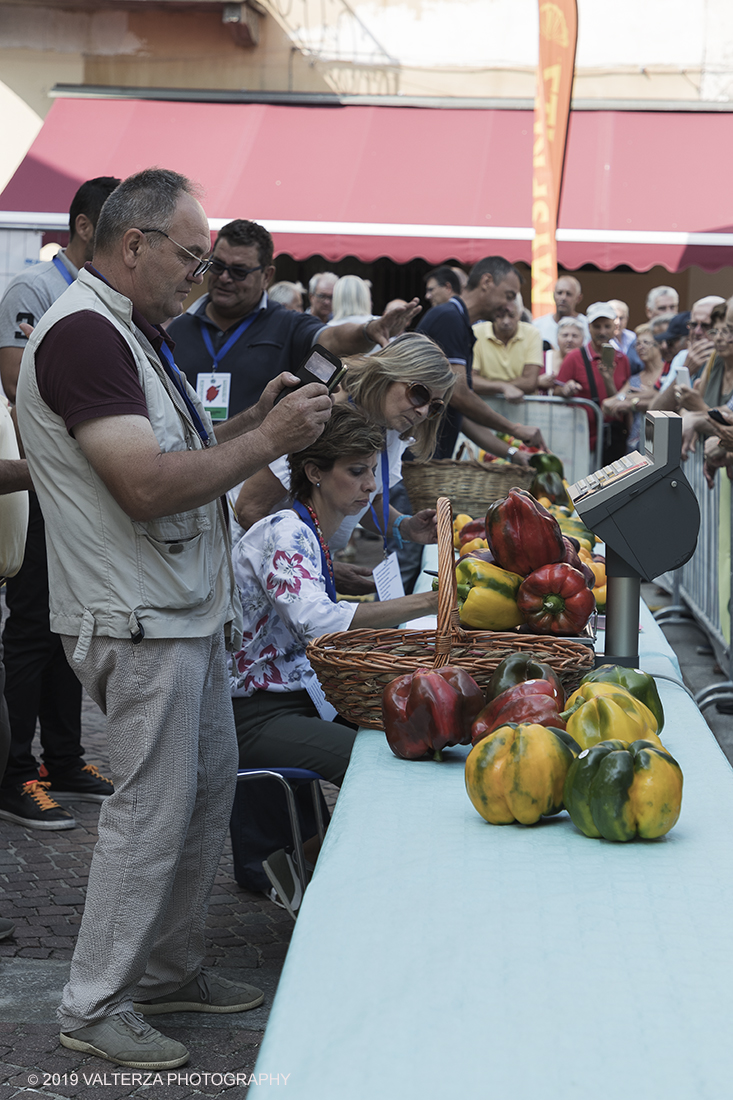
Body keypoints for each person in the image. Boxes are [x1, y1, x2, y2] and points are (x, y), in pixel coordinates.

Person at [15, 167, 334, 1070]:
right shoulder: (85, 335)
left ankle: (167, 968)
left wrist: (257, 425)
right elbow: (144, 485)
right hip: (138, 618)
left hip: (177, 612)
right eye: (191, 256)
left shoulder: (128, 333)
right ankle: (96, 1001)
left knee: (194, 803)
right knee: (150, 814)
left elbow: (181, 463)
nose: (200, 274)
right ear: (134, 245)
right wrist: (265, 443)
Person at [230, 404, 440, 909]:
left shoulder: (308, 530)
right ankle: (310, 870)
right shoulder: (286, 529)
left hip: (296, 698)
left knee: (409, 742)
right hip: (253, 715)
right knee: (379, 769)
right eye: (356, 471)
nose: (370, 485)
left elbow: (318, 616)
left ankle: (311, 864)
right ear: (314, 473)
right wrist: (432, 601)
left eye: (372, 470)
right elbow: (318, 622)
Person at [0, 175, 121, 830]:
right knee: (30, 630)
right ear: (82, 227)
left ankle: (66, 758)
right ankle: (15, 771)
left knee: (68, 624)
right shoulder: (35, 290)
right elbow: (20, 387)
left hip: (81, 486)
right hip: (40, 484)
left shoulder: (97, 298)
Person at [167, 219, 420, 426]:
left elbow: (331, 339)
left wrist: (367, 331)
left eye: (239, 271)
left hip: (258, 477)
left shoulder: (288, 325)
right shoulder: (175, 329)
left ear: (267, 275)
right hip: (189, 471)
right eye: (218, 266)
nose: (224, 277)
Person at [235, 333, 455, 568]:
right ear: (387, 373)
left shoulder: (392, 429)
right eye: (419, 393)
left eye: (435, 406)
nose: (423, 411)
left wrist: (406, 527)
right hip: (251, 566)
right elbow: (249, 510)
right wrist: (318, 564)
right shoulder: (320, 417)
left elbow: (368, 502)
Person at [416, 256, 545, 463]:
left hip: (427, 460)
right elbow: (459, 396)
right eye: (509, 295)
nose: (510, 306)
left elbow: (460, 413)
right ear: (486, 282)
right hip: (413, 458)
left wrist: (513, 453)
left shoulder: (460, 323)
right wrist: (515, 429)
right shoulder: (449, 318)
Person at [549, 301, 631, 462]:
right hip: (582, 441)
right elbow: (557, 390)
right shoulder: (575, 357)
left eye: (607, 326)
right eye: (597, 326)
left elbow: (624, 398)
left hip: (613, 441)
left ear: (615, 328)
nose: (602, 331)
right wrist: (567, 389)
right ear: (589, 327)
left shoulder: (623, 359)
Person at [601, 326, 667, 452]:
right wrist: (608, 379)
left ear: (658, 345)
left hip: (662, 439)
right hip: (637, 442)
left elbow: (664, 397)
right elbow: (610, 403)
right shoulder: (635, 379)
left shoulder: (667, 373)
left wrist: (629, 400)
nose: (640, 347)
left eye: (646, 342)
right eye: (637, 344)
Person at [471, 299, 543, 402]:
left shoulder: (532, 333)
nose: (506, 321)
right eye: (500, 316)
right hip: (485, 405)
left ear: (520, 314)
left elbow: (530, 383)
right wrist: (503, 387)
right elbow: (471, 380)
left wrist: (493, 386)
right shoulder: (477, 331)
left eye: (511, 316)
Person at [532, 275, 589, 349]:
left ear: (578, 298)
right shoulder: (537, 326)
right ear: (553, 295)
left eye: (568, 294)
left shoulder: (587, 326)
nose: (563, 298)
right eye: (559, 293)